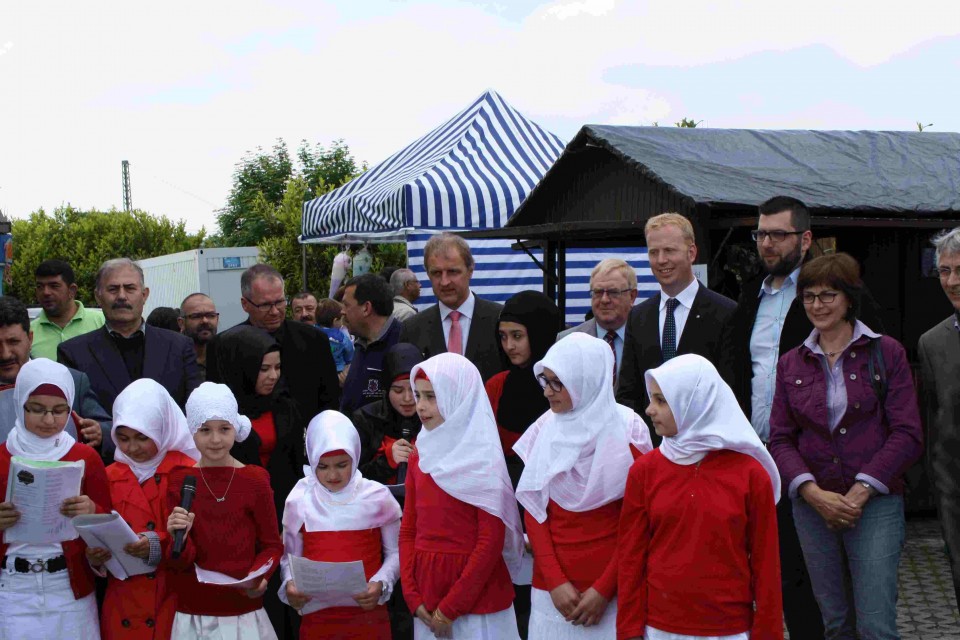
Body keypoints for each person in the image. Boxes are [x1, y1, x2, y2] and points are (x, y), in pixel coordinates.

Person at [769, 253, 923, 640]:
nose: (817, 306)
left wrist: (861, 490)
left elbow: (907, 433)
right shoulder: (791, 363)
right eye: (808, 297)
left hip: (875, 505)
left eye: (828, 295)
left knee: (876, 626)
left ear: (849, 298)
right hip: (812, 506)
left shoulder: (886, 352)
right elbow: (781, 438)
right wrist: (811, 492)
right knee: (835, 625)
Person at [617, 354, 783, 640]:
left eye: (661, 400)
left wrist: (767, 633)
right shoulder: (645, 471)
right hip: (660, 628)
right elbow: (631, 556)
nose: (649, 410)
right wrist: (629, 629)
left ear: (693, 402)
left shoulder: (751, 475)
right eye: (651, 399)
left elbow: (766, 564)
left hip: (728, 629)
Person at [514, 333, 652, 639]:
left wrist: (604, 589)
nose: (547, 392)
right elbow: (535, 510)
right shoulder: (544, 428)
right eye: (545, 381)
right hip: (552, 595)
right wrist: (554, 581)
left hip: (612, 594)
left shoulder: (629, 430)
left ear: (585, 379)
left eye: (557, 382)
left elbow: (639, 521)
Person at [401, 353, 524, 639]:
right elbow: (408, 529)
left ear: (459, 396)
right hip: (426, 596)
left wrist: (452, 606)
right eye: (418, 395)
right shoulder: (421, 453)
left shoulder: (482, 458)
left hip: (478, 598)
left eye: (432, 396)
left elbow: (490, 541)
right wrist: (411, 593)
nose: (420, 405)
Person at [0, 358, 112, 640]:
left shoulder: (85, 457)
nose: (49, 420)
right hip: (12, 588)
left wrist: (92, 510)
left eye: (60, 411)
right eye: (37, 410)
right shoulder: (2, 457)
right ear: (20, 403)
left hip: (68, 587)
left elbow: (109, 525)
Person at [166, 382, 284, 640]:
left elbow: (272, 545)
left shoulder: (254, 479)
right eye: (205, 430)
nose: (216, 439)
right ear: (192, 432)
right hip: (195, 612)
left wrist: (260, 577)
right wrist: (179, 537)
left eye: (224, 429)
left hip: (244, 612)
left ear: (235, 428)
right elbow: (177, 560)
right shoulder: (180, 480)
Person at [88, 378, 201, 640]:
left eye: (142, 437)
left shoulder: (188, 471)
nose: (133, 448)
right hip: (122, 602)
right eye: (123, 438)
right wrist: (95, 558)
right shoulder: (108, 474)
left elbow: (201, 542)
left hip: (171, 599)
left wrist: (157, 544)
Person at [279, 411, 403, 639]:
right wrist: (290, 584)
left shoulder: (377, 497)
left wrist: (381, 582)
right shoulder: (299, 499)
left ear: (355, 456)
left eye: (341, 464)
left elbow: (396, 552)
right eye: (323, 466)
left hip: (368, 615)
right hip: (318, 619)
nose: (333, 475)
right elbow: (288, 556)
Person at [616, 213, 736, 443]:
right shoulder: (638, 317)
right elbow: (628, 395)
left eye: (669, 251)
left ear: (691, 253)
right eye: (653, 252)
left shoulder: (725, 313)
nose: (661, 260)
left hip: (705, 450)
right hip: (650, 452)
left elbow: (730, 392)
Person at [57, 258, 202, 414]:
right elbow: (75, 417)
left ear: (144, 295)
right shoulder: (73, 354)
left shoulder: (179, 347)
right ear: (98, 297)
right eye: (113, 289)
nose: (121, 296)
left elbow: (195, 411)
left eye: (130, 288)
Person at [206, 263, 340, 423]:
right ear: (245, 304)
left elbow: (330, 401)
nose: (275, 311)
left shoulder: (314, 340)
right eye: (265, 305)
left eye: (280, 302)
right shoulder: (224, 345)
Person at [0, 296, 114, 461]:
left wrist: (99, 432)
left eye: (13, 342)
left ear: (30, 338)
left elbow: (112, 429)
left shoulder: (72, 381)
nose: (5, 354)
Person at [399, 232, 505, 382]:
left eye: (452, 272)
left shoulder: (500, 320)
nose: (444, 282)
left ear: (470, 271)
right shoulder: (412, 329)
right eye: (436, 273)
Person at [919, 226, 960, 603]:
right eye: (945, 271)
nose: (952, 280)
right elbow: (935, 426)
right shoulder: (933, 343)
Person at [486, 291, 562, 486]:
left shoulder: (562, 385)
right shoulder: (496, 386)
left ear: (540, 332)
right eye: (502, 337)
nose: (509, 346)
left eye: (517, 336)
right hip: (504, 489)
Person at [557, 259, 637, 389]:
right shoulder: (566, 341)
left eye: (613, 292)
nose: (605, 299)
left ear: (632, 296)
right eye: (598, 292)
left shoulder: (648, 337)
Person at [351, 343, 423, 486]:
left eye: (415, 390)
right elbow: (352, 477)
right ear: (386, 389)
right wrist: (387, 460)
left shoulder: (433, 418)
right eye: (398, 390)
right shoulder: (365, 419)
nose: (408, 398)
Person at [340, 274, 401, 417]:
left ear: (366, 308)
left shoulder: (401, 342)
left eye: (346, 305)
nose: (342, 311)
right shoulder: (361, 343)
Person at [29, 259, 106, 361]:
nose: (46, 292)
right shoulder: (29, 333)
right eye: (40, 287)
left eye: (54, 286)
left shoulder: (102, 322)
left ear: (72, 290)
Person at [178, 293, 220, 382]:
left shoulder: (226, 357)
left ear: (217, 319)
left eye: (211, 315)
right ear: (181, 323)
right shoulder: (172, 360)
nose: (205, 321)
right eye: (196, 316)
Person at [316, 298, 354, 385]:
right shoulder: (342, 337)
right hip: (338, 372)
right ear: (335, 320)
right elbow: (350, 354)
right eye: (341, 319)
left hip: (318, 372)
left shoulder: (312, 332)